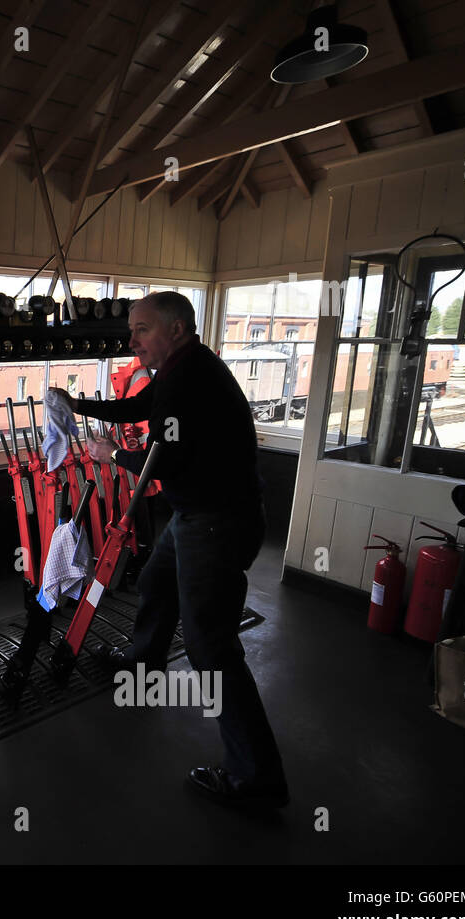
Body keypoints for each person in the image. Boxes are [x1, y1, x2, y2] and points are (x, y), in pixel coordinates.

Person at [49, 291, 288, 810]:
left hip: (216, 524)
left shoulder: (190, 379)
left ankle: (257, 778)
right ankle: (143, 664)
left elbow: (171, 461)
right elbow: (140, 407)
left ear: (176, 329)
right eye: (131, 330)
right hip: (197, 515)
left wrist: (115, 454)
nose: (131, 340)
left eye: (142, 330)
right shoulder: (180, 370)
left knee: (211, 649)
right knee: (156, 581)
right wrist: (78, 405)